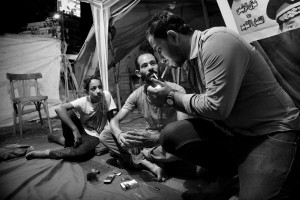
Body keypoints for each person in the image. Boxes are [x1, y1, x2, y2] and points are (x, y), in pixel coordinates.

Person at [146, 10, 300, 199]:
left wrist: (171, 96)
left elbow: (216, 107)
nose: (161, 58)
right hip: (235, 132)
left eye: (159, 49)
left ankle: (248, 176)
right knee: (171, 135)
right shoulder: (190, 63)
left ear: (172, 37)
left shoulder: (217, 41)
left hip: (269, 132)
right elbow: (201, 110)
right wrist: (168, 99)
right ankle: (229, 176)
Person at [100, 52, 189, 181]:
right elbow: (115, 120)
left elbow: (182, 135)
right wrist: (120, 136)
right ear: (138, 73)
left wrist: (154, 138)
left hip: (168, 142)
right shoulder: (136, 95)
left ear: (159, 67)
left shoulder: (177, 90)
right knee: (106, 134)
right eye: (145, 65)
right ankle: (152, 166)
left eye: (153, 63)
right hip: (147, 142)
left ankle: (136, 159)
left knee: (177, 152)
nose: (150, 68)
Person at [26, 75, 117, 161]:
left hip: (95, 135)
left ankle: (53, 143)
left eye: (100, 87)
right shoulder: (83, 101)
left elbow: (111, 118)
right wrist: (75, 130)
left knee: (82, 154)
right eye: (93, 88)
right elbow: (59, 109)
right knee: (68, 112)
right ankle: (50, 150)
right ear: (87, 92)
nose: (98, 91)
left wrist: (114, 139)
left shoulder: (106, 95)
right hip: (82, 130)